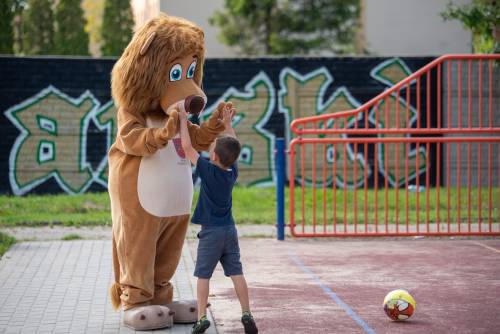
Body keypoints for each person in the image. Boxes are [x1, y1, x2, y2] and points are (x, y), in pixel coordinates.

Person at [178, 103, 258, 334]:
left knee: (203, 276)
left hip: (211, 233)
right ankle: (246, 312)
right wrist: (228, 125)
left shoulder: (207, 170)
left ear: (213, 156)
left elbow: (185, 146)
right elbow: (233, 146)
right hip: (229, 231)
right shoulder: (232, 172)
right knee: (237, 273)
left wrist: (183, 119)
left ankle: (202, 317)